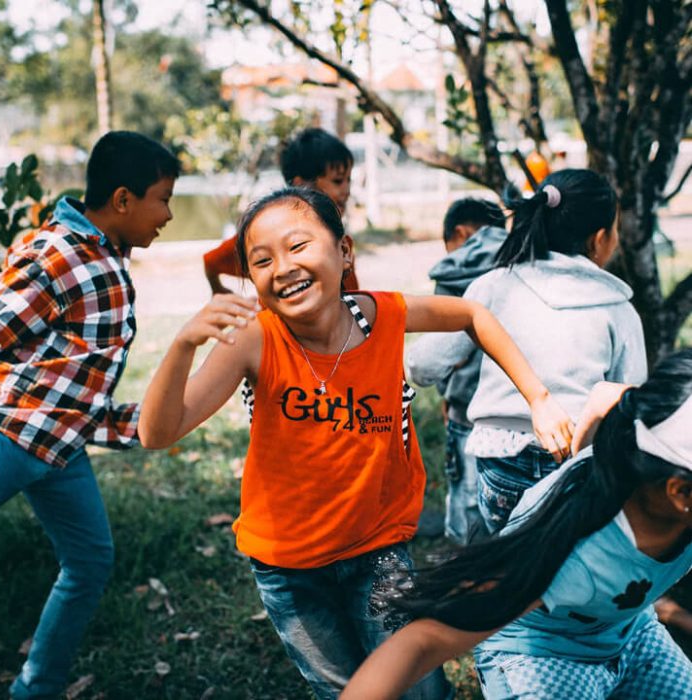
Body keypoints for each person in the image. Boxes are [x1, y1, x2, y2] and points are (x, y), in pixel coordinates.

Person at [138, 187, 573, 699]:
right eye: (262, 260)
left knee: (419, 687)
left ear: (344, 252)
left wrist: (539, 397)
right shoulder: (256, 339)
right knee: (345, 690)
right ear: (251, 277)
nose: (283, 267)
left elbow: (473, 316)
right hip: (289, 569)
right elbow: (157, 433)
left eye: (298, 246)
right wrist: (184, 345)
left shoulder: (383, 316)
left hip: (377, 549)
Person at [341, 349, 692, 700]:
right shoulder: (568, 552)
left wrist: (582, 453)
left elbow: (608, 395)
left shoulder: (640, 421)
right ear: (681, 494)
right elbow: (423, 641)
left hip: (626, 631)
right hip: (539, 654)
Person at [0, 131, 179, 698]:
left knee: (90, 560)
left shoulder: (105, 255)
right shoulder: (58, 254)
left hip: (59, 451)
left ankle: (36, 688)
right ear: (123, 200)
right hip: (10, 439)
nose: (168, 214)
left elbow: (74, 379)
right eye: (163, 198)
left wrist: (140, 423)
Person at [407, 169, 647, 534]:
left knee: (504, 563)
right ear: (600, 239)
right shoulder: (618, 308)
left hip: (499, 462)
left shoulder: (492, 287)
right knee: (554, 569)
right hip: (574, 464)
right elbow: (629, 397)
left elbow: (422, 365)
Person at [412, 198, 507, 544]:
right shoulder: (523, 260)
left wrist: (445, 394)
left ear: (460, 233)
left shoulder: (456, 272)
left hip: (466, 407)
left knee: (466, 501)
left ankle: (460, 563)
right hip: (518, 410)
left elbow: (440, 354)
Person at [203, 127, 357, 295]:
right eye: (338, 181)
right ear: (302, 185)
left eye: (349, 180)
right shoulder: (268, 232)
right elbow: (212, 261)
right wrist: (218, 290)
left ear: (343, 249)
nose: (346, 190)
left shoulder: (335, 234)